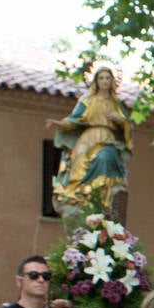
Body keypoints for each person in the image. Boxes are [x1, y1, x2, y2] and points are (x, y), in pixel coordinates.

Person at [46, 66, 132, 214]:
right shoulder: (87, 101)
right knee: (79, 166)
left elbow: (127, 125)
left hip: (107, 139)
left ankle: (103, 201)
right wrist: (59, 124)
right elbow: (74, 120)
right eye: (101, 78)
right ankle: (80, 197)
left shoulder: (116, 104)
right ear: (96, 81)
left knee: (105, 157)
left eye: (107, 78)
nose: (104, 81)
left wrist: (121, 120)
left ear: (112, 81)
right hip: (88, 139)